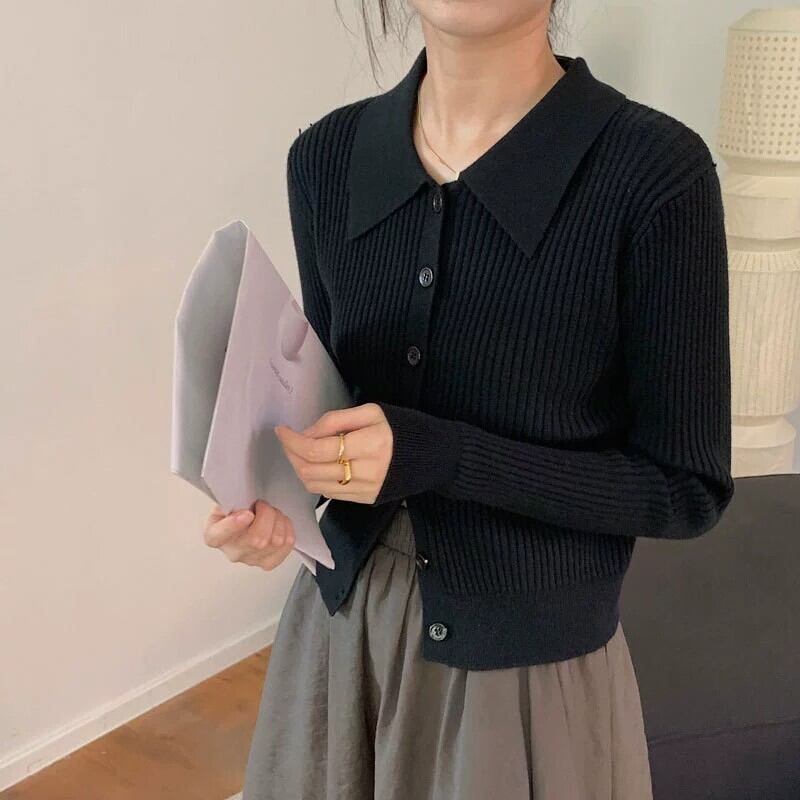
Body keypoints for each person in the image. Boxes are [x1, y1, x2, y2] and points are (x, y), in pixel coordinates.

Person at [206, 1, 735, 797]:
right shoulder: (325, 159)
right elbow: (331, 407)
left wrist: (445, 456)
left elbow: (685, 488)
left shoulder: (654, 174)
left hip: (524, 680)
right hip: (338, 641)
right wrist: (273, 504)